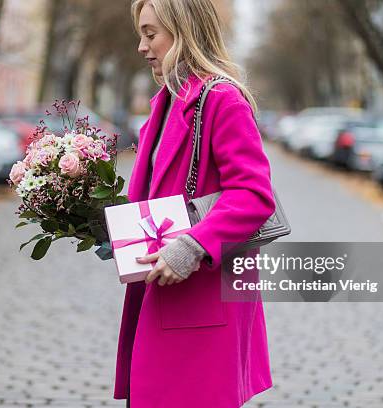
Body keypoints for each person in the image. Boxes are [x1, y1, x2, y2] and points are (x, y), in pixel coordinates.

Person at [114, 0, 276, 406]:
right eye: (141, 34)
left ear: (183, 31)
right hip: (164, 287)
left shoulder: (222, 99)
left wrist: (194, 246)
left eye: (150, 34)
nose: (140, 46)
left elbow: (254, 195)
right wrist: (109, 233)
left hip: (203, 292)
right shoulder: (164, 104)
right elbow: (153, 195)